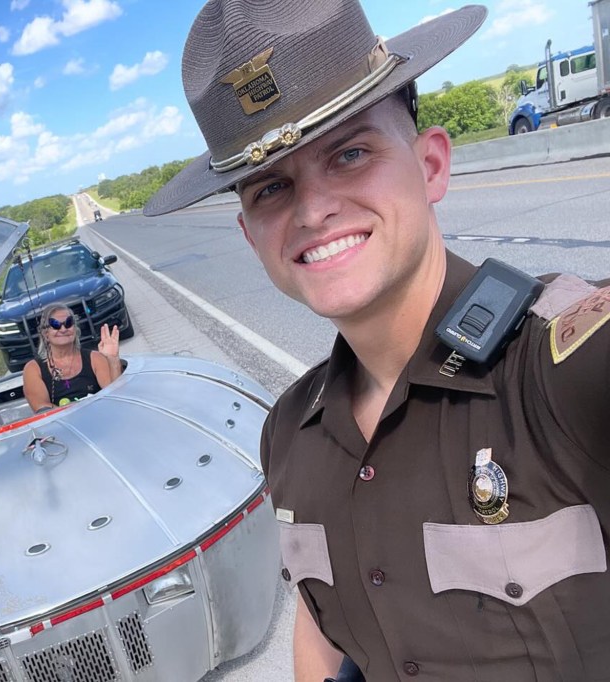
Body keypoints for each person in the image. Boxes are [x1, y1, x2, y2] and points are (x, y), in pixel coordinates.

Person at [144, 1, 610, 681]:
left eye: (350, 153)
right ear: (251, 236)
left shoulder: (561, 366)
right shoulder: (289, 437)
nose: (311, 210)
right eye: (271, 187)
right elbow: (320, 625)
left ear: (431, 165)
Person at [23, 303, 121, 412]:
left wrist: (113, 358)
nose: (63, 329)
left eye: (68, 323)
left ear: (75, 329)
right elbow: (42, 408)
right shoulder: (33, 369)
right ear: (45, 334)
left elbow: (115, 394)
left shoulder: (95, 358)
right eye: (55, 324)